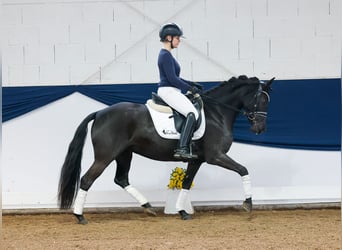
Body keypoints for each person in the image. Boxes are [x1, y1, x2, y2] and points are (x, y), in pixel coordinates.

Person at [157, 23, 201, 160]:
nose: (179, 40)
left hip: (172, 89)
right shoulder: (165, 55)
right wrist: (190, 89)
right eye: (177, 38)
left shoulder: (167, 55)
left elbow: (175, 78)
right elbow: (172, 79)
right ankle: (182, 148)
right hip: (168, 91)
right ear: (169, 38)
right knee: (192, 113)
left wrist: (191, 84)